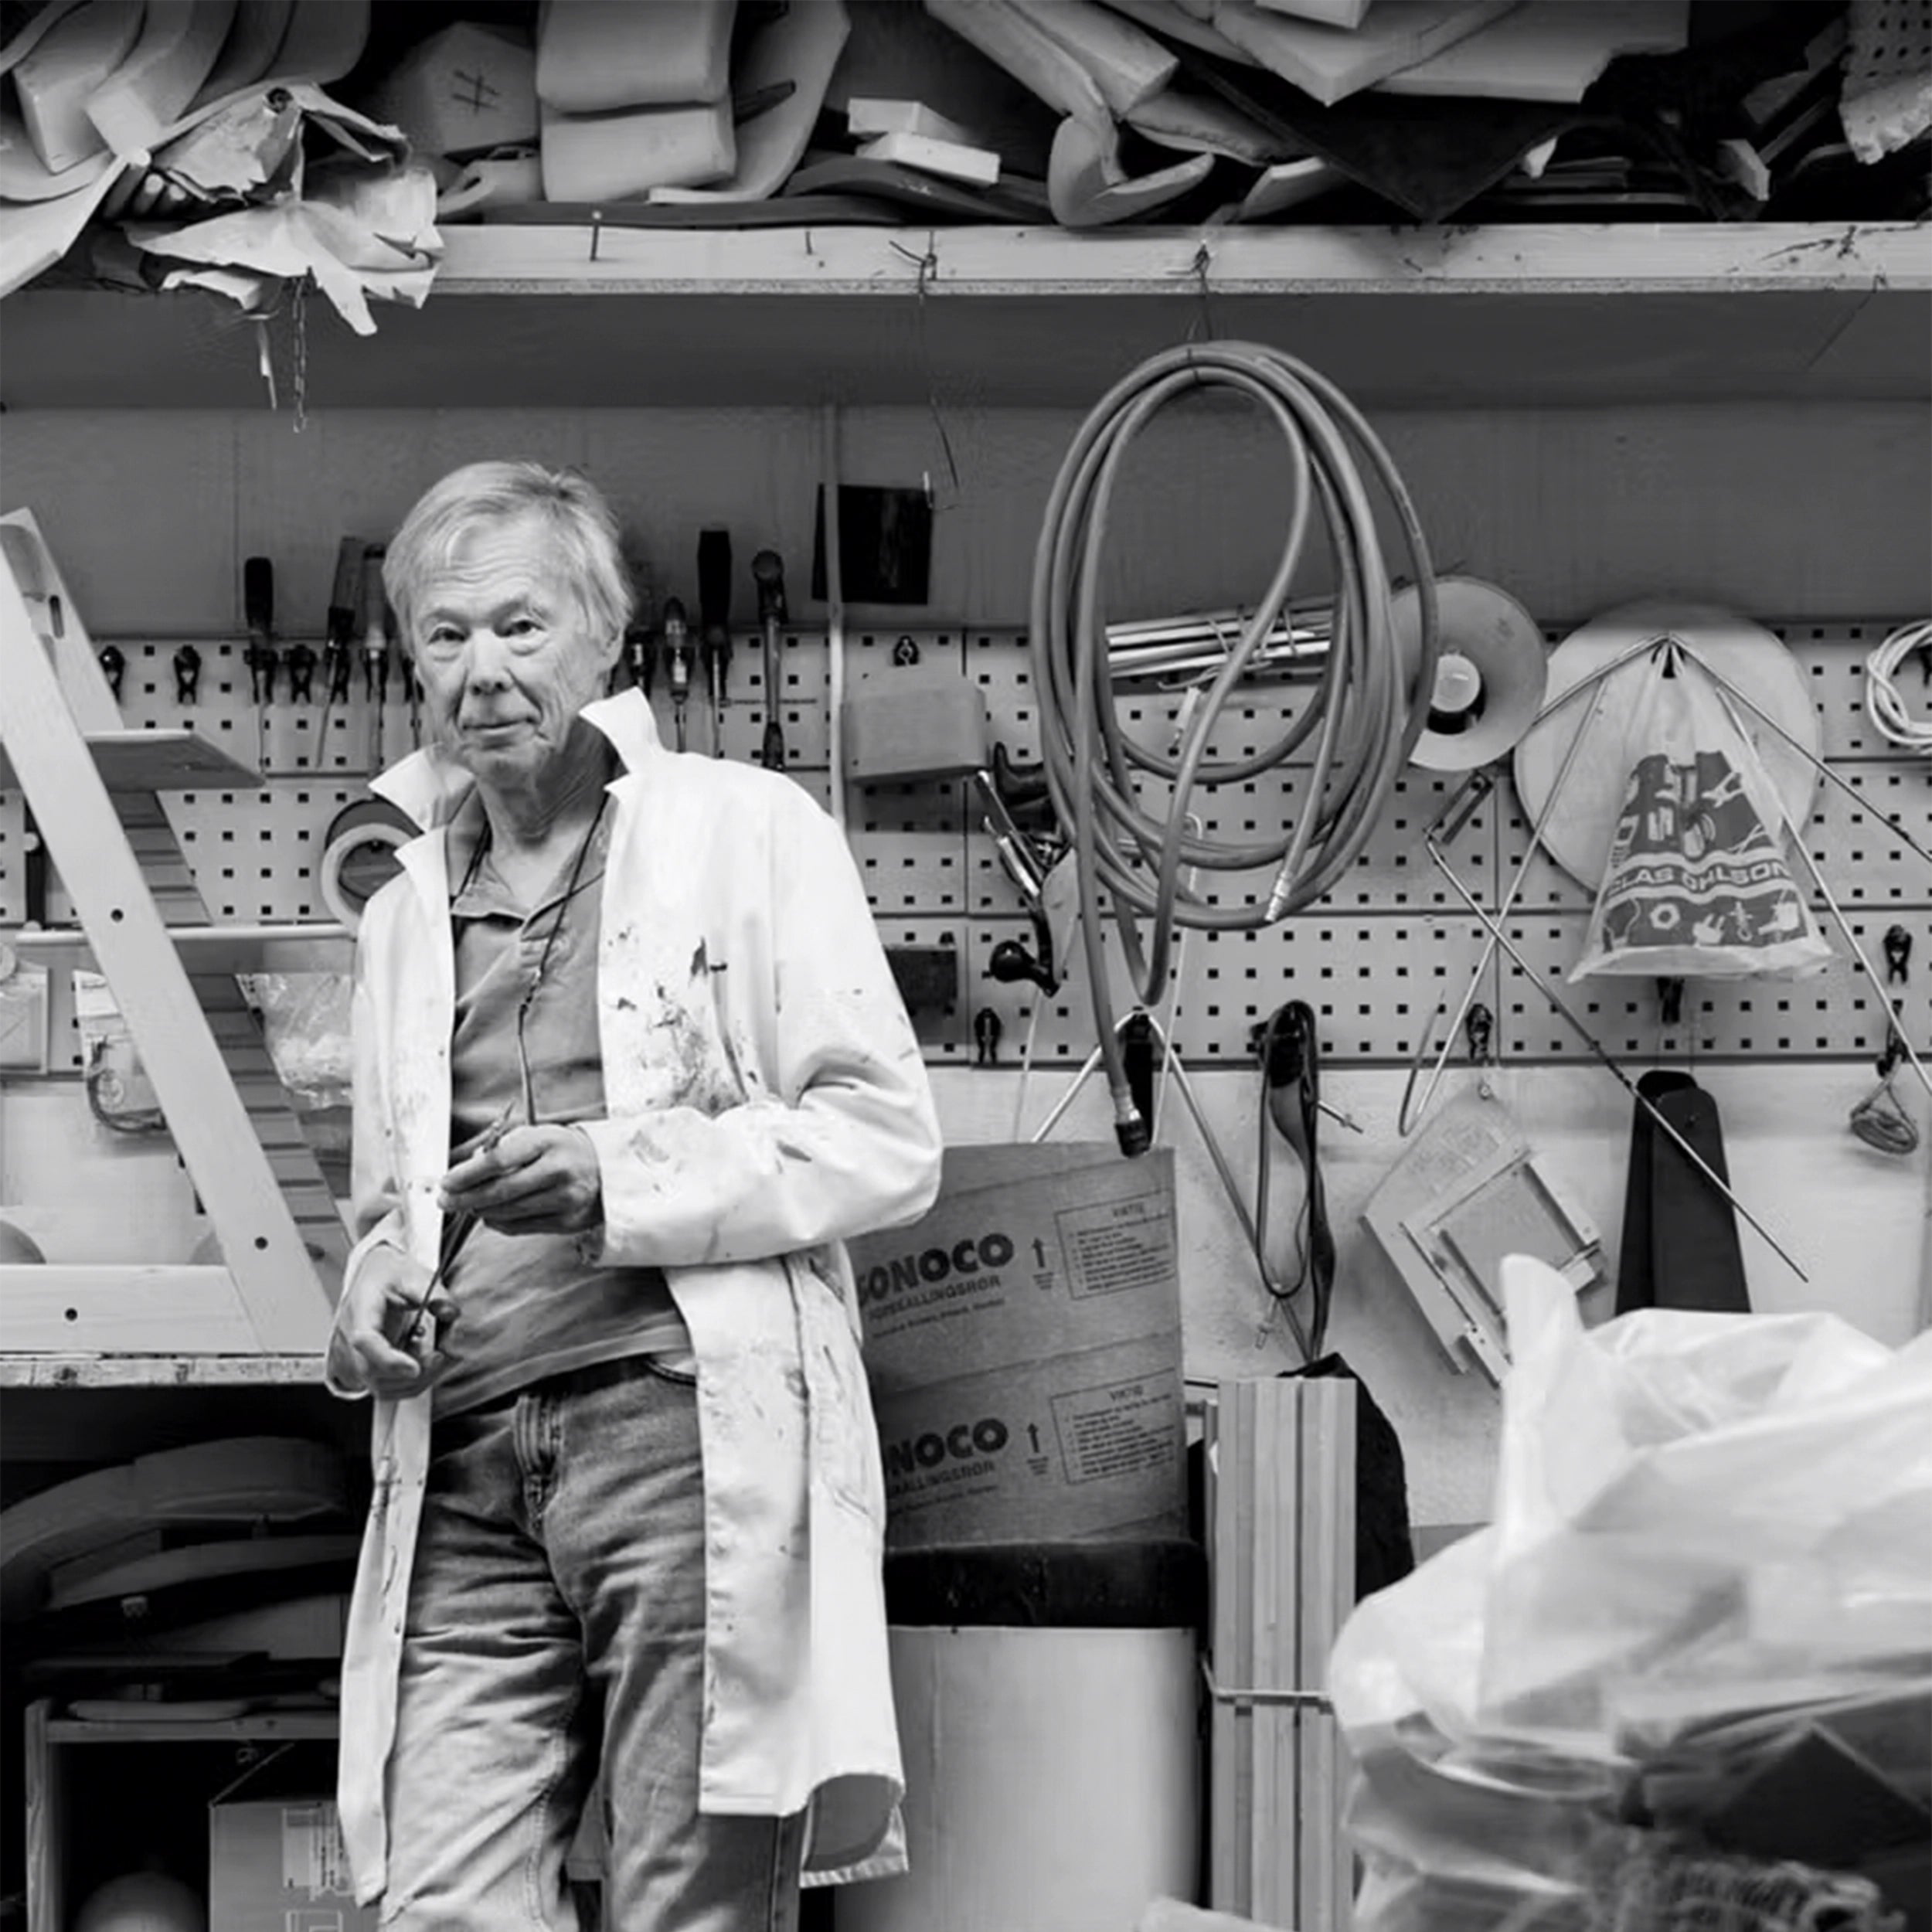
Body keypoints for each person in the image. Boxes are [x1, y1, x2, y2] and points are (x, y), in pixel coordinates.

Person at [323, 460, 944, 1929]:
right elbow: (381, 1215)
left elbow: (885, 1137)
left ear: (607, 639)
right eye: (446, 635)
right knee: (441, 1900)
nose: (483, 672)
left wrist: (618, 1169)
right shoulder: (405, 910)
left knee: (692, 1900)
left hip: (673, 1423)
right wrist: (366, 1304)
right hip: (465, 1454)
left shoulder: (744, 829)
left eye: (522, 628)